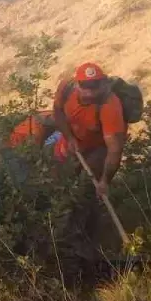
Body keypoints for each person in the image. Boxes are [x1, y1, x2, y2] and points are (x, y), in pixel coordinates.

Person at [52, 61, 127, 259]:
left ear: (103, 84)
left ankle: (88, 240)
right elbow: (57, 112)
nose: (90, 92)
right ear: (77, 85)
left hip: (97, 149)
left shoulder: (110, 106)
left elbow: (114, 149)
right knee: (60, 186)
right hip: (72, 143)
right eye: (85, 87)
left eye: (95, 87)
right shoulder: (66, 88)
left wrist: (104, 181)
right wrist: (69, 137)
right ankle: (61, 235)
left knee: (87, 191)